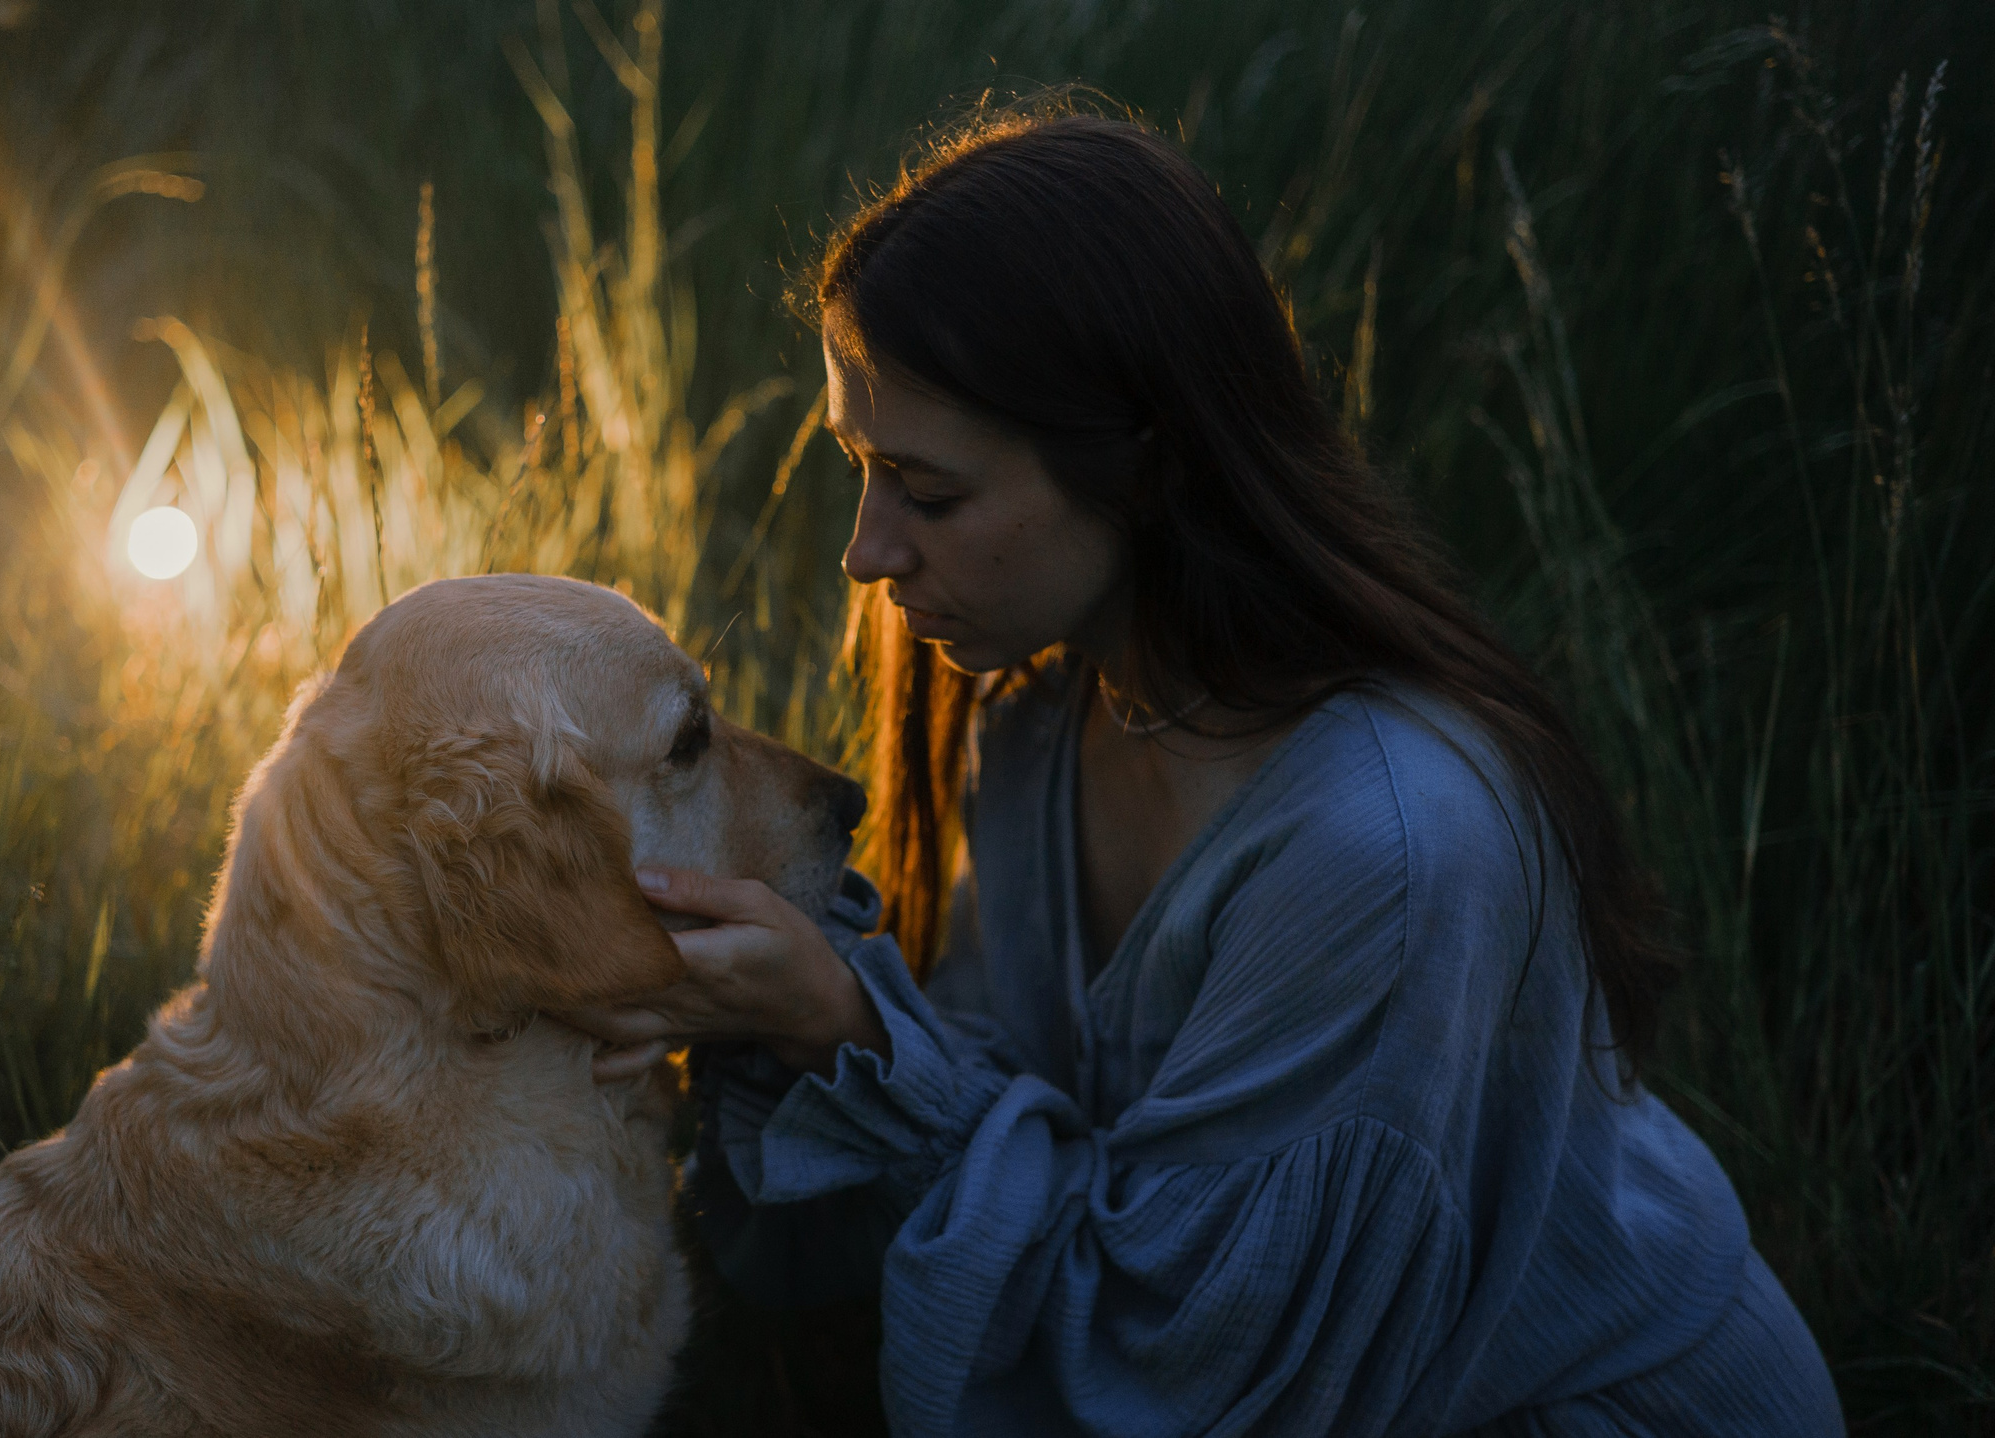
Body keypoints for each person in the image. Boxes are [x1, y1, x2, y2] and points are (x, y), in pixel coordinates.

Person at [563, 105, 1843, 1436]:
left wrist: (847, 1028)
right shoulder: (1044, 713)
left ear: (1145, 467)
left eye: (926, 492)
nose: (867, 552)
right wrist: (779, 1011)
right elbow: (1011, 1106)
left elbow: (1176, 1355)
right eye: (857, 472)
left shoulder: (1383, 850)